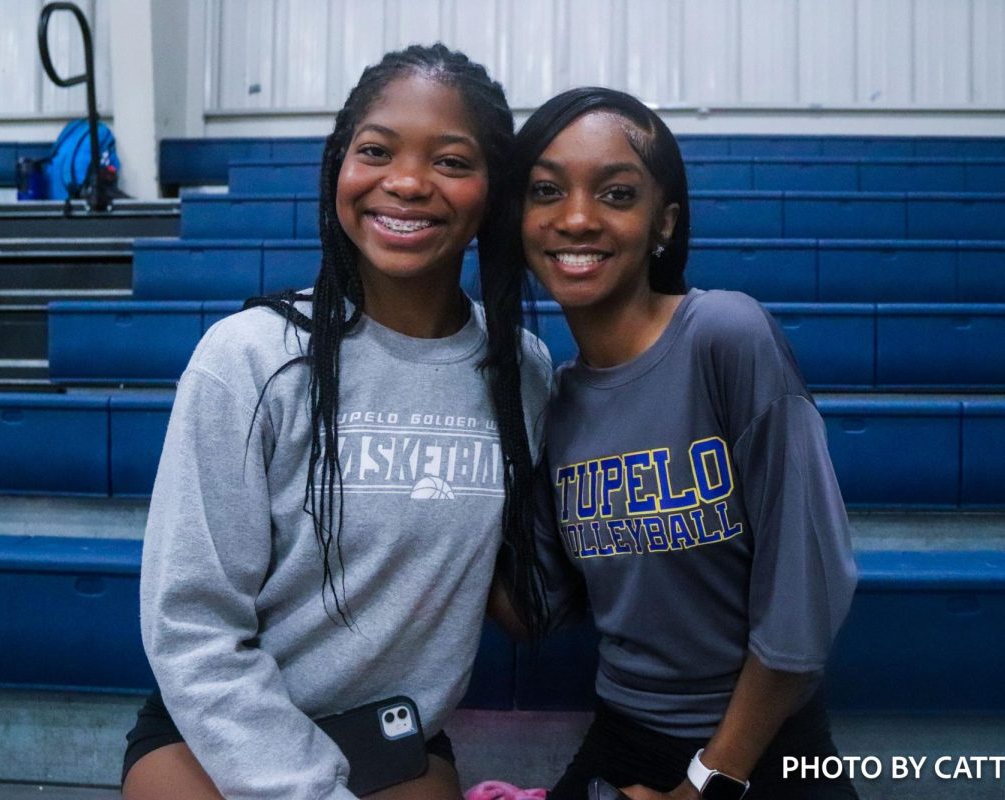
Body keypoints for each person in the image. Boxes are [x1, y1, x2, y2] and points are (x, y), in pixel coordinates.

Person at [122, 44, 551, 800]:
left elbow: (525, 589)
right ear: (339, 169)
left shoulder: (523, 371)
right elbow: (192, 626)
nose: (408, 182)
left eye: (450, 162)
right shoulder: (249, 356)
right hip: (222, 727)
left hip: (390, 731)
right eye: (377, 151)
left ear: (494, 192)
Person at [506, 87, 860, 800]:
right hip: (624, 734)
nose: (576, 218)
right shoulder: (556, 397)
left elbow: (806, 600)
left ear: (663, 223)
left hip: (761, 745)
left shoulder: (727, 338)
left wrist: (706, 784)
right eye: (546, 191)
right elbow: (533, 608)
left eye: (615, 193)